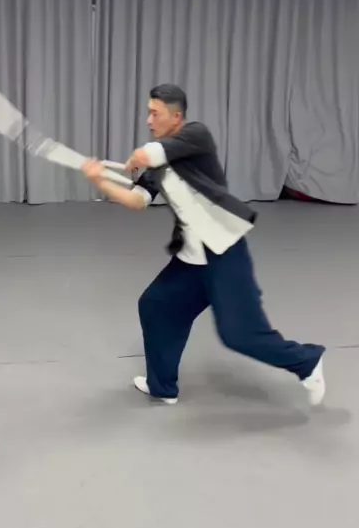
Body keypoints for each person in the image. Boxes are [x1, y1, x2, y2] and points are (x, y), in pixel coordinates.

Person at [81, 84, 325, 407]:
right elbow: (137, 200)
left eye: (155, 113)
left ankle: (307, 362)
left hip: (224, 251)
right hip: (191, 257)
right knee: (156, 305)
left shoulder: (196, 136)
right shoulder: (157, 163)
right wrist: (99, 180)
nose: (149, 120)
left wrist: (137, 158)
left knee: (238, 334)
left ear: (176, 117)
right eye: (148, 113)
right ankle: (162, 386)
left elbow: (148, 154)